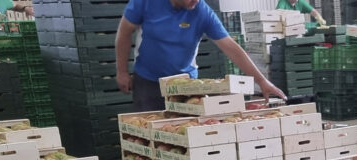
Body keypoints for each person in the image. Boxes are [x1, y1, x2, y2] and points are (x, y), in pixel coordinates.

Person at [116, 0, 286, 112]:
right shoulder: (144, 3)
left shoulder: (201, 11)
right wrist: (121, 71)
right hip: (149, 82)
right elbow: (123, 34)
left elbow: (231, 47)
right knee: (149, 136)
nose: (196, 0)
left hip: (186, 85)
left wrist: (262, 81)